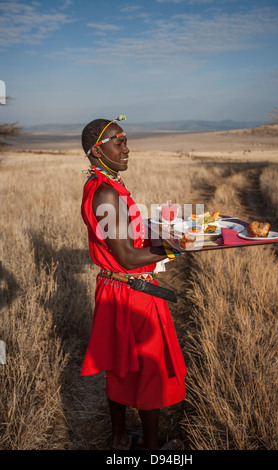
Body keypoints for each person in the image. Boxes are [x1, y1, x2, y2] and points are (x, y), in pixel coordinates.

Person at [80, 115, 186, 450]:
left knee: (120, 367)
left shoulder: (102, 186)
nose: (127, 149)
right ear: (97, 150)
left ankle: (121, 438)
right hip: (131, 292)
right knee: (147, 368)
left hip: (117, 288)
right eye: (118, 142)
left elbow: (123, 243)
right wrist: (178, 246)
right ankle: (153, 450)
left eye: (125, 141)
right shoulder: (107, 194)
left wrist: (160, 235)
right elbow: (126, 257)